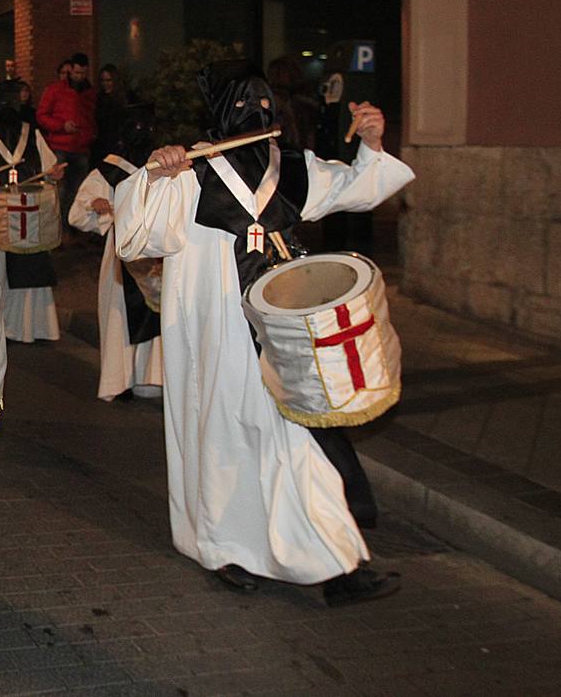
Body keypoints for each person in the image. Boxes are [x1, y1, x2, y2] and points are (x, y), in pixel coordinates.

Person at [113, 59, 414, 606]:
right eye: (245, 102)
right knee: (221, 439)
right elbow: (137, 237)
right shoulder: (191, 170)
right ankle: (222, 547)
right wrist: (154, 176)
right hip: (214, 332)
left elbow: (357, 187)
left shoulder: (292, 165)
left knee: (296, 441)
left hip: (280, 328)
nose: (260, 112)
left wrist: (372, 143)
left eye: (266, 101)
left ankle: (340, 566)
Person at [68, 104, 162, 402]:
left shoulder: (164, 167)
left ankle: (153, 377)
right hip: (121, 254)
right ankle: (121, 380)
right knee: (121, 314)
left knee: (158, 315)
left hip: (158, 254)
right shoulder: (110, 170)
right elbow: (76, 214)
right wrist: (97, 207)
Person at [0, 81, 62, 343]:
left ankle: (28, 328)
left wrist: (53, 174)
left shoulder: (32, 134)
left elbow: (50, 168)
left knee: (32, 266)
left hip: (30, 212)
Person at [37, 52, 96, 232]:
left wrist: (89, 135)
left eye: (83, 73)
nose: (79, 77)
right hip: (60, 147)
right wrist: (62, 126)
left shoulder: (89, 92)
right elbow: (41, 115)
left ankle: (70, 229)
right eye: (76, 73)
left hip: (81, 148)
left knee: (77, 191)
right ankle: (58, 230)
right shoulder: (55, 90)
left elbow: (91, 118)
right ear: (71, 70)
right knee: (60, 192)